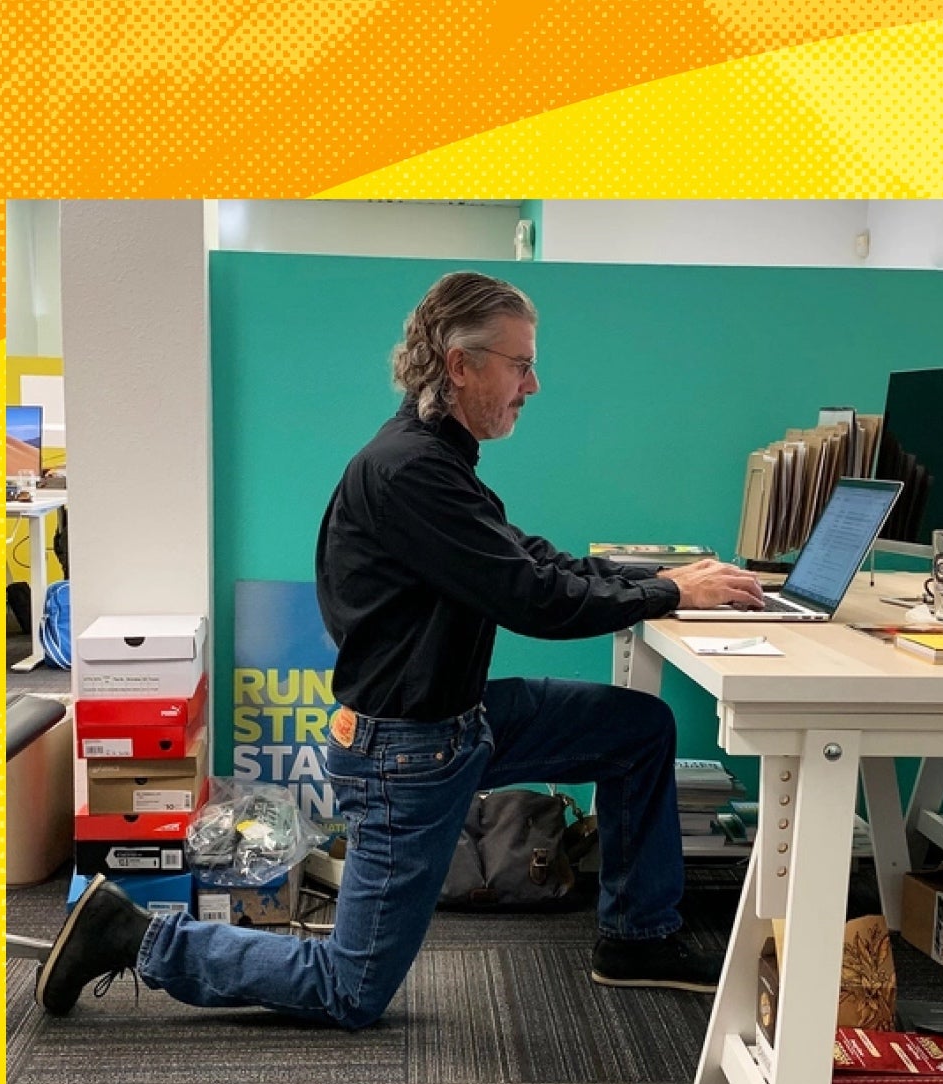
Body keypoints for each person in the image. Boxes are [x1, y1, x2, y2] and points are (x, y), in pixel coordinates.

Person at [43, 270, 767, 1029]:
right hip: (406, 754)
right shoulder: (411, 474)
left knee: (635, 730)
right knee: (349, 990)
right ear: (461, 365)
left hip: (457, 723)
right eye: (520, 364)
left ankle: (636, 938)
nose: (533, 384)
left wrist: (662, 576)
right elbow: (534, 600)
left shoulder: (436, 460)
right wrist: (672, 594)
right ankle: (137, 936)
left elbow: (532, 561)